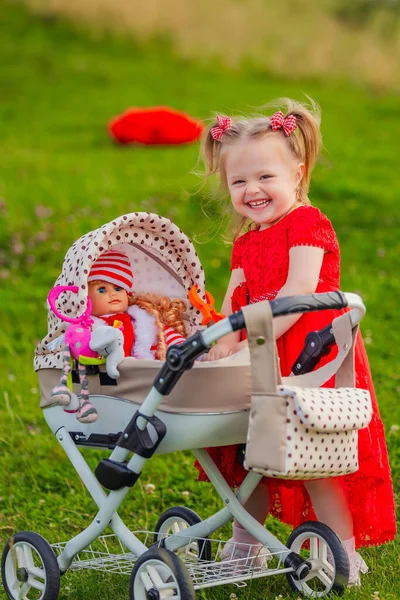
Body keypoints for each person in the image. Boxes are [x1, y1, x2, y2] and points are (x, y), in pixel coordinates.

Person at [194, 100, 396, 585]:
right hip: (260, 360)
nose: (252, 190)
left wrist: (248, 339)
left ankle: (342, 553)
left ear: (298, 174)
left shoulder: (307, 225)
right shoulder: (245, 241)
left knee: (315, 458)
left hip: (310, 359)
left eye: (265, 177)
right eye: (238, 182)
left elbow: (297, 295)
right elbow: (230, 305)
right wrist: (215, 336)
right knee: (251, 456)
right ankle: (247, 549)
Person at [51, 250, 187, 423]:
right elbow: (82, 346)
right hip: (111, 385)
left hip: (144, 375)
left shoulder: (141, 319)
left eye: (118, 288)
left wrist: (183, 348)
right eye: (102, 290)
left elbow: (162, 335)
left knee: (164, 338)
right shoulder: (91, 327)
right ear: (87, 300)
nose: (113, 294)